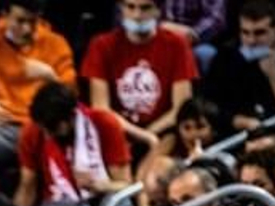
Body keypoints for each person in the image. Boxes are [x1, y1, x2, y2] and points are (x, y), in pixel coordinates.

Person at [0, 0, 77, 175]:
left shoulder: (56, 44)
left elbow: (72, 100)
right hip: (5, 128)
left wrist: (51, 77)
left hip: (45, 128)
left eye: (33, 22)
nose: (27, 29)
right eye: (20, 21)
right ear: (4, 16)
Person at [81, 0, 197, 150]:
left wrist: (146, 135)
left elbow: (181, 108)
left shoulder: (177, 45)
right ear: (121, 9)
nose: (137, 15)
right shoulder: (101, 45)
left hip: (163, 133)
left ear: (158, 10)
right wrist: (140, 135)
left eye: (145, 8)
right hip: (116, 133)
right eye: (131, 7)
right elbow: (101, 107)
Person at [13, 81, 133, 206]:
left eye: (52, 128)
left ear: (71, 117)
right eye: (43, 129)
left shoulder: (104, 123)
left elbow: (125, 184)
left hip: (101, 194)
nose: (47, 135)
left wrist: (100, 185)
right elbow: (28, 186)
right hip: (56, 200)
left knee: (119, 203)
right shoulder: (33, 131)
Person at [199, 0, 275, 134]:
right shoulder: (227, 56)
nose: (251, 41)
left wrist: (273, 73)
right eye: (245, 33)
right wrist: (236, 120)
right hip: (237, 132)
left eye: (259, 33)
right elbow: (209, 103)